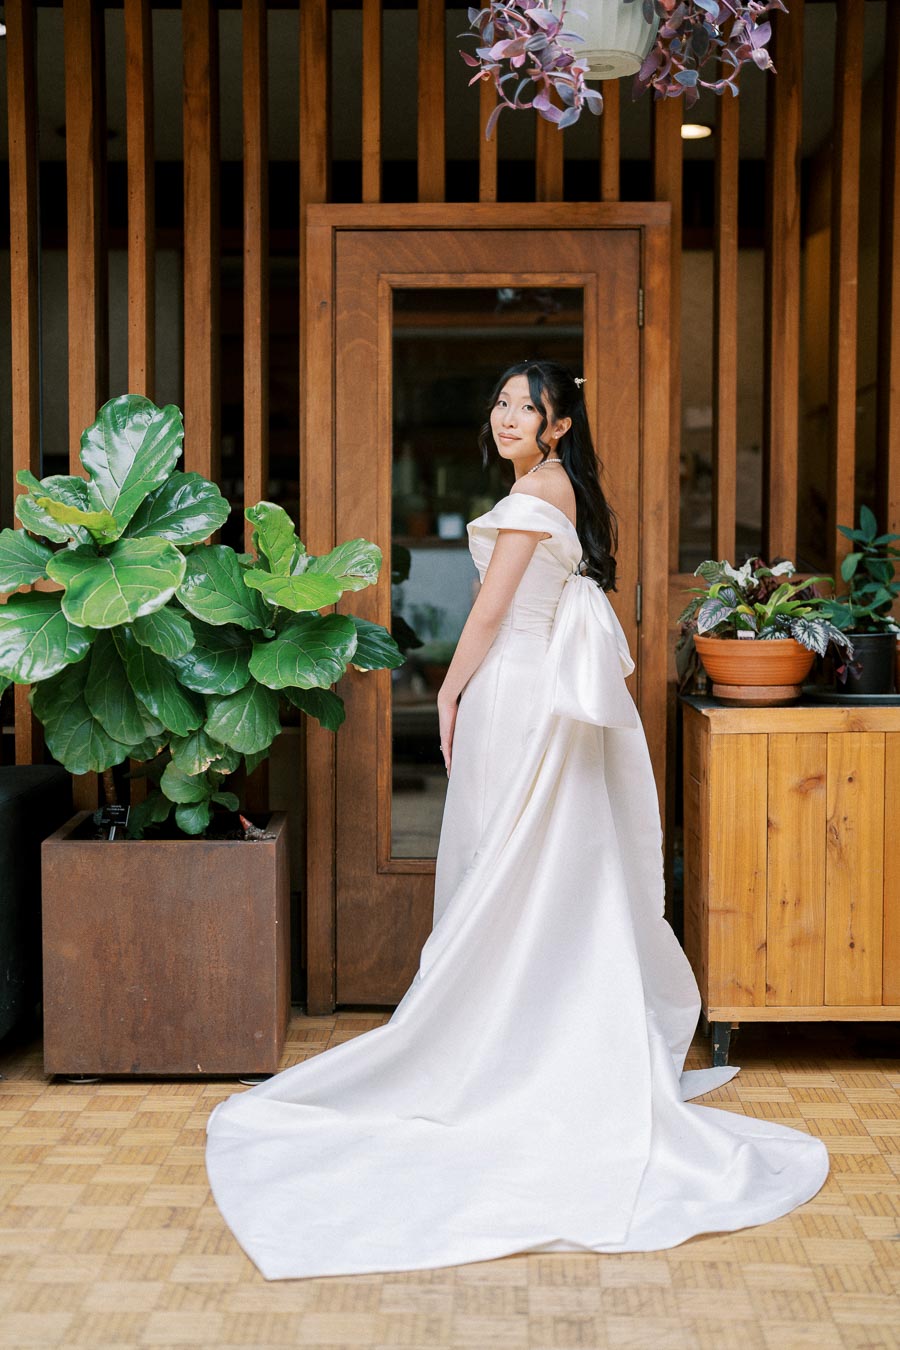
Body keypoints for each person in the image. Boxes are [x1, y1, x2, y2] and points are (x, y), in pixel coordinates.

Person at [205, 359, 829, 1281]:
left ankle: (500, 1041)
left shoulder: (536, 496)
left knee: (509, 861)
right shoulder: (556, 490)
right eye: (499, 402)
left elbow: (489, 615)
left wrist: (449, 696)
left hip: (516, 695)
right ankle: (532, 1026)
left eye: (524, 407)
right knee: (541, 870)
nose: (505, 416)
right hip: (544, 698)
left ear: (559, 426)